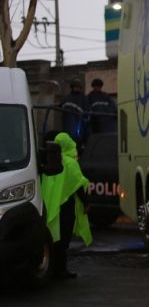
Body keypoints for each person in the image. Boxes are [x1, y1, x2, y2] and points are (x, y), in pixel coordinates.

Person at [40, 132, 93, 279]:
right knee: (64, 239)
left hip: (52, 205)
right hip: (67, 207)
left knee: (55, 238)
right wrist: (87, 202)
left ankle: (53, 269)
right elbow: (78, 185)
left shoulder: (51, 160)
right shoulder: (70, 163)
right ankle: (61, 270)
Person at [61, 79, 90, 143]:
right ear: (72, 87)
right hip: (67, 123)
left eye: (78, 87)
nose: (76, 88)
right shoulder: (66, 98)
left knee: (76, 140)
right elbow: (61, 106)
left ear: (80, 88)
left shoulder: (83, 98)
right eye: (75, 87)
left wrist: (85, 120)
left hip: (78, 124)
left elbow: (87, 111)